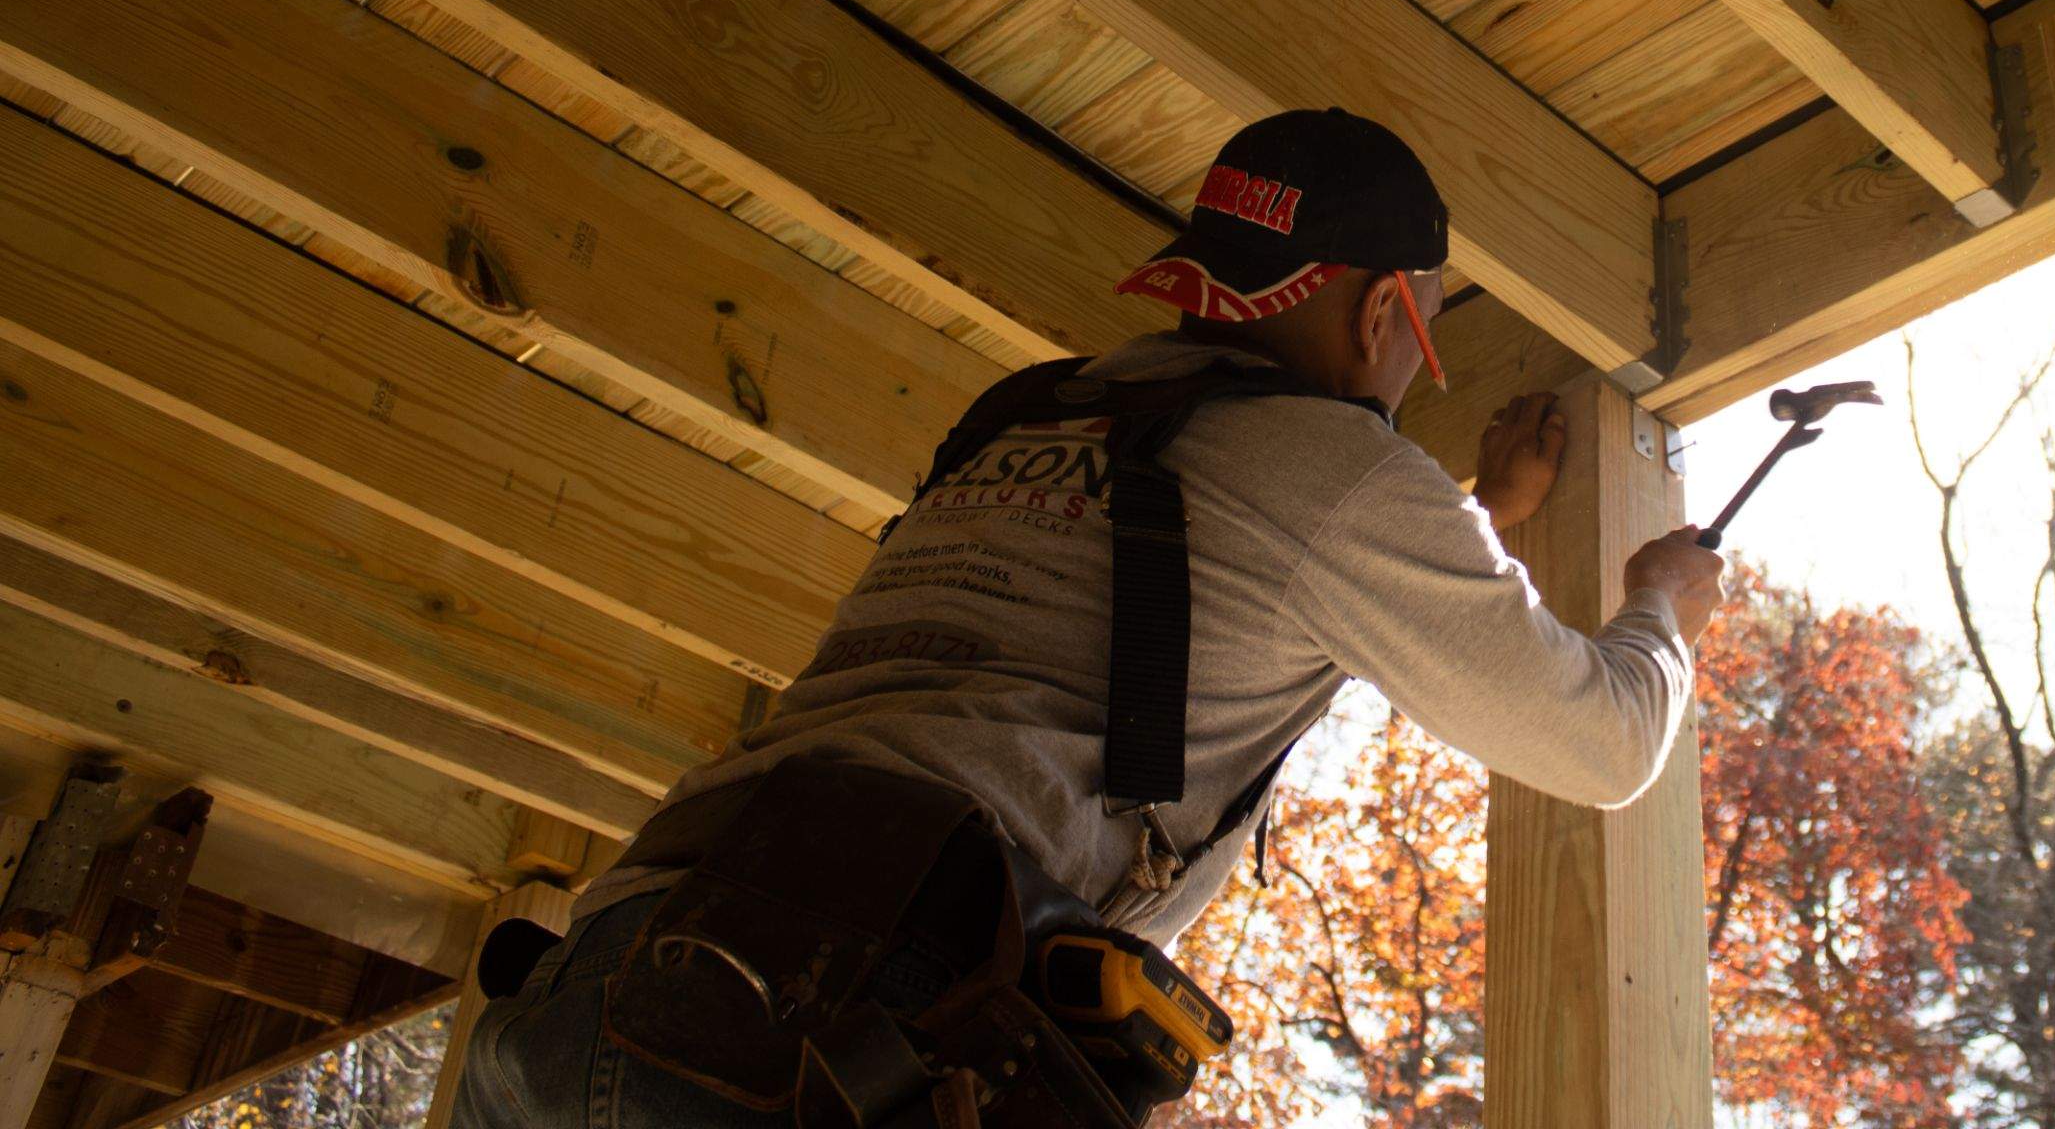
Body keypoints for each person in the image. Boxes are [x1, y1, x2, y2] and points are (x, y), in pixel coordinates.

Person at [454, 108, 1725, 1129]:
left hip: (604, 967)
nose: (1407, 373)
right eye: (1424, 337)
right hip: (860, 1022)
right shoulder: (1338, 472)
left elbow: (1189, 591)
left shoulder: (1034, 411)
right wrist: (1657, 606)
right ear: (1385, 311)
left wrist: (1479, 520)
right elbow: (1601, 743)